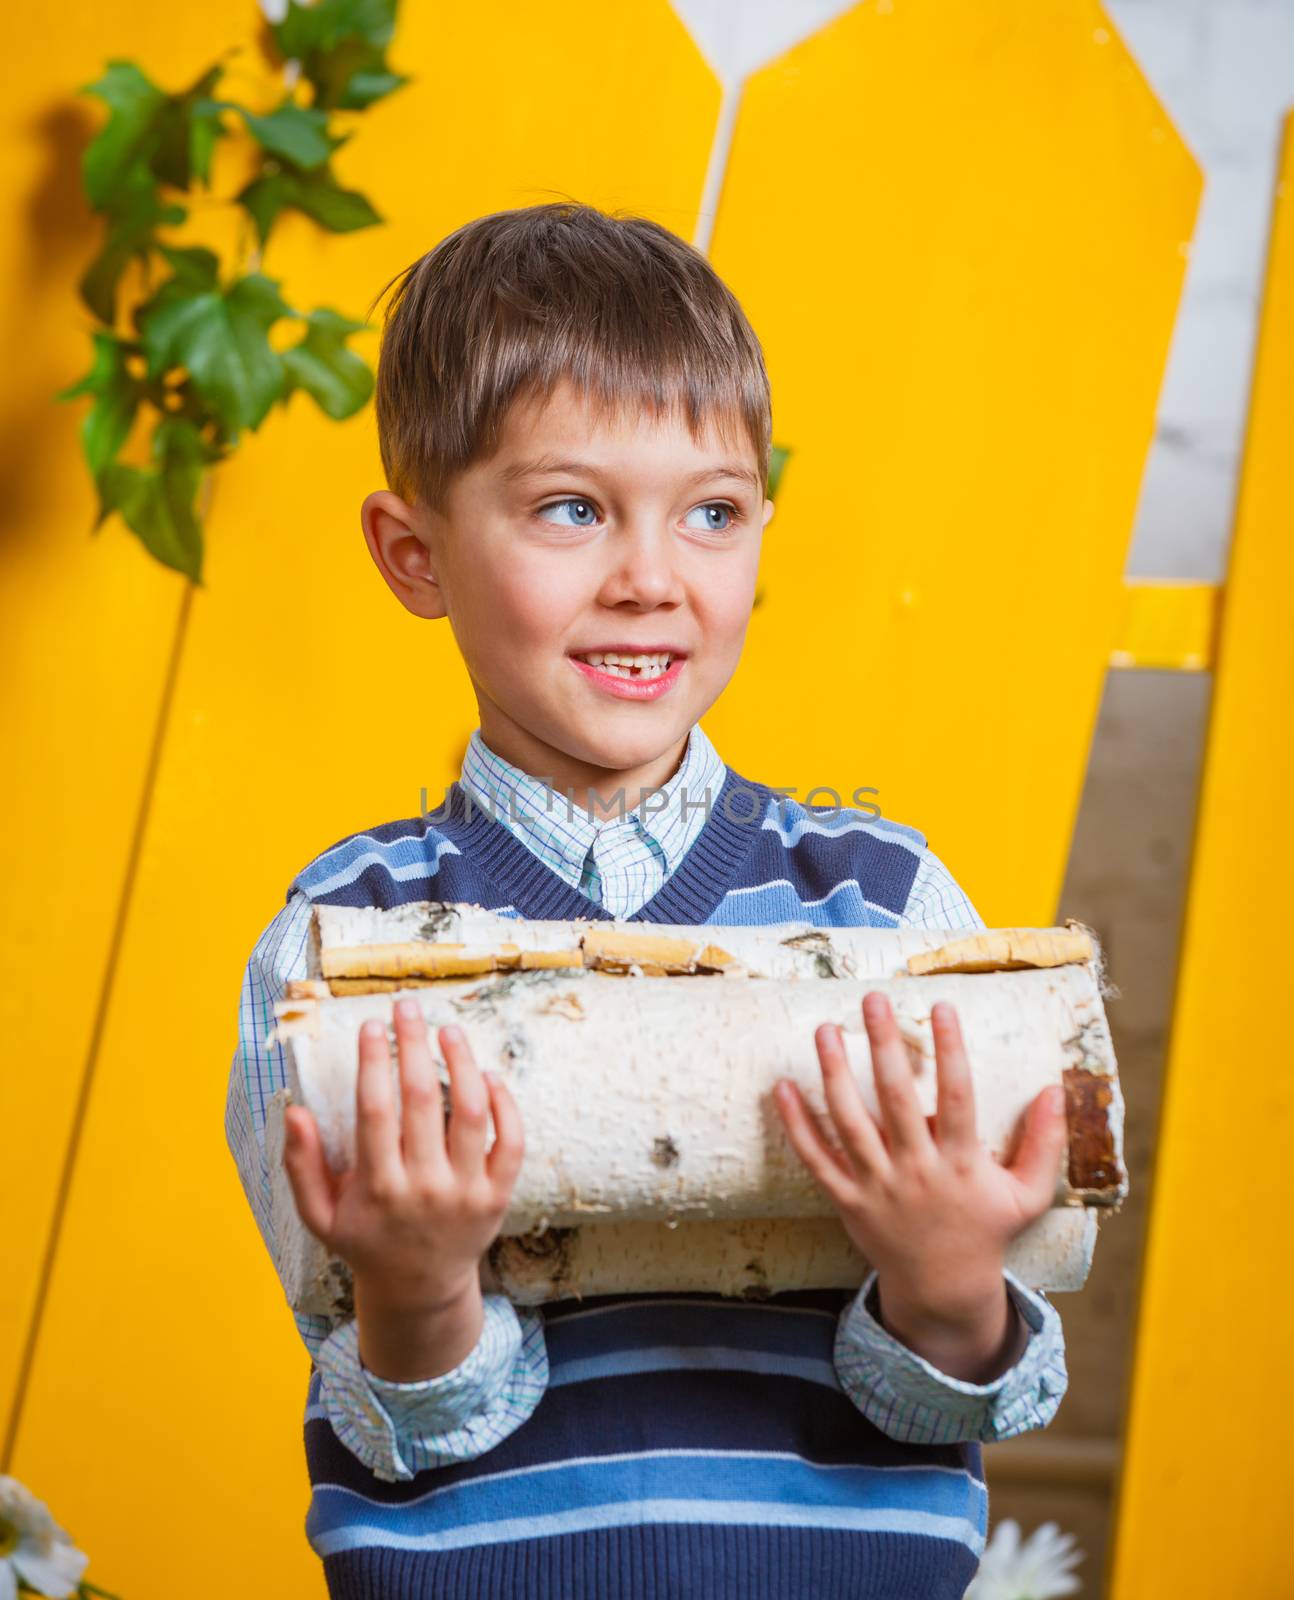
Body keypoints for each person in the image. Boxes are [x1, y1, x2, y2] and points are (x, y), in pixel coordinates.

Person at [226, 201, 1070, 1599]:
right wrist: (418, 1286)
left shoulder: (890, 906)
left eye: (711, 514)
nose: (649, 578)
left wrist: (942, 1283)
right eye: (569, 508)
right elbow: (392, 1425)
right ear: (413, 551)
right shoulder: (340, 947)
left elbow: (960, 1406)